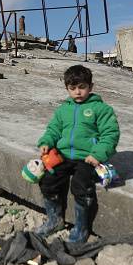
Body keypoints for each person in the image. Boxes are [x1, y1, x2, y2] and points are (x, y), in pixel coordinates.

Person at [35, 65, 120, 243]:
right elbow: (53, 130)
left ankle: (81, 227)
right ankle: (54, 220)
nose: (77, 92)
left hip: (87, 158)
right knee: (48, 180)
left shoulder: (101, 109)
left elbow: (110, 135)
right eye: (72, 88)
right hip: (63, 155)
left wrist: (98, 154)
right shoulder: (63, 110)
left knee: (81, 186)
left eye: (82, 87)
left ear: (91, 87)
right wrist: (46, 142)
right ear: (67, 88)